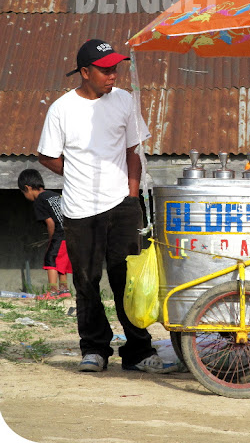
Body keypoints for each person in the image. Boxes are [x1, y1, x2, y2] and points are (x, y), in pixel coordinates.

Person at [37, 39, 166, 374]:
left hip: (122, 205)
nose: (113, 75)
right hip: (80, 209)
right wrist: (76, 173)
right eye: (105, 69)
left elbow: (134, 150)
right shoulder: (62, 109)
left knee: (128, 281)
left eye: (115, 68)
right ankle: (94, 349)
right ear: (85, 72)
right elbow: (47, 155)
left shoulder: (124, 100)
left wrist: (132, 196)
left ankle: (138, 350)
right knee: (86, 281)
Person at [18, 169, 72, 300]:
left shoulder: (39, 201)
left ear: (27, 188)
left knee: (51, 259)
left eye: (24, 193)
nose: (25, 196)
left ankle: (52, 292)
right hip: (70, 233)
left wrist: (51, 239)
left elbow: (50, 222)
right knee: (61, 261)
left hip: (59, 234)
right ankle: (64, 290)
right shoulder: (54, 195)